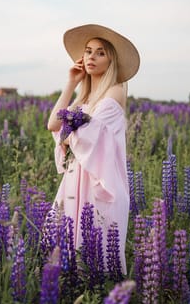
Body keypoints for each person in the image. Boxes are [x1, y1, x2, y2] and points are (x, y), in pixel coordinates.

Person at [47, 24, 140, 274]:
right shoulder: (85, 97)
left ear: (111, 59)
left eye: (100, 52)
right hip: (76, 180)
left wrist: (70, 132)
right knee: (69, 254)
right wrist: (71, 82)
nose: (91, 57)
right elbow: (53, 125)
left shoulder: (115, 91)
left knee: (96, 255)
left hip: (100, 183)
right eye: (88, 51)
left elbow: (84, 135)